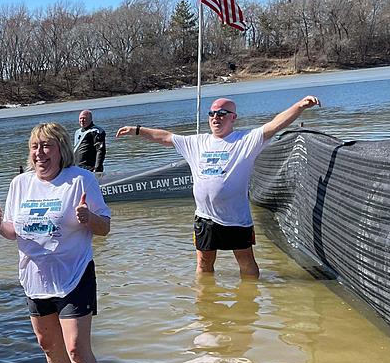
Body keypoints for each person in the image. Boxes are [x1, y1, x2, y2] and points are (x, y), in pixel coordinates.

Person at [116, 95, 321, 278]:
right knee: (203, 264)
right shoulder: (196, 142)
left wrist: (299, 106)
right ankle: (205, 308)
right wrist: (137, 130)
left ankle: (248, 306)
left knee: (246, 263)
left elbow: (275, 124)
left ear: (233, 117)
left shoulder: (245, 140)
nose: (216, 117)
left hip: (236, 219)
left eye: (222, 113)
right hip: (205, 218)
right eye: (212, 113)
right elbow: (166, 137)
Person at [0, 122, 111, 363]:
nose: (39, 153)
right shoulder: (20, 184)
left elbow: (104, 227)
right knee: (48, 345)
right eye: (35, 146)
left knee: (76, 349)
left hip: (74, 275)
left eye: (47, 146)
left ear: (61, 150)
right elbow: (13, 231)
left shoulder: (80, 180)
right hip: (34, 279)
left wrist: (88, 218)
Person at [75, 110, 106, 175]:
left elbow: (100, 151)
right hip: (78, 168)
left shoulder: (96, 131)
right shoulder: (77, 132)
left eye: (84, 118)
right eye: (80, 118)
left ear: (90, 119)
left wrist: (97, 169)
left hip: (90, 168)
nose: (82, 120)